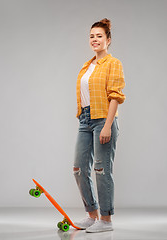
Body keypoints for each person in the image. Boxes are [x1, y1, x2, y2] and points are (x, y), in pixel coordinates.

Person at [73, 18, 126, 233]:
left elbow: (115, 97)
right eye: (92, 36)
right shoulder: (88, 65)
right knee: (78, 169)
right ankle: (92, 215)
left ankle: (106, 220)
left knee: (101, 170)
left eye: (99, 36)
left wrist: (107, 125)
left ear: (108, 40)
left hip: (104, 119)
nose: (94, 39)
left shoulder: (113, 63)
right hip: (85, 120)